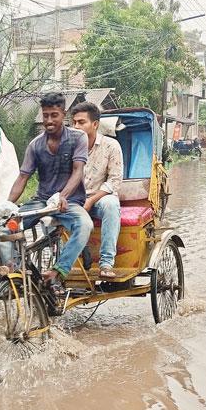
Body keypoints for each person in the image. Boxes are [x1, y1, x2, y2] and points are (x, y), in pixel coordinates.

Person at [0, 92, 93, 291]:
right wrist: (6, 206)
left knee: (85, 225)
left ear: (63, 114)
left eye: (54, 115)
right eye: (46, 115)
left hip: (69, 202)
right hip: (41, 201)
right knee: (2, 230)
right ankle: (18, 275)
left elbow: (78, 171)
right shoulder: (35, 145)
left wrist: (62, 196)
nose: (49, 120)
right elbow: (23, 177)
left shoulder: (77, 138)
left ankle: (58, 271)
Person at [70, 101, 123, 278]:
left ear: (95, 124)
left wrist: (91, 200)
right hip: (75, 199)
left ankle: (106, 263)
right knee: (49, 206)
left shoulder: (111, 146)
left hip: (100, 198)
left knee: (111, 205)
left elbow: (114, 181)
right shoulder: (69, 147)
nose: (76, 126)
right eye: (74, 122)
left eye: (81, 122)